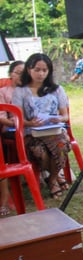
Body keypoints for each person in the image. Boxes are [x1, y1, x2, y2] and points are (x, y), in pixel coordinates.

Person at [11, 53, 71, 199]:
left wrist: (58, 119)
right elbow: (17, 117)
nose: (41, 74)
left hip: (54, 131)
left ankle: (51, 179)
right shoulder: (20, 91)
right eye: (37, 70)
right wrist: (29, 123)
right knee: (40, 152)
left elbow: (65, 115)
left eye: (45, 70)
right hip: (32, 133)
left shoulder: (57, 89)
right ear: (29, 69)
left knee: (62, 146)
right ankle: (55, 177)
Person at [0, 60, 24, 216]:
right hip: (10, 129)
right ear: (11, 74)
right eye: (18, 72)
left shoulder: (30, 91)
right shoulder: (3, 91)